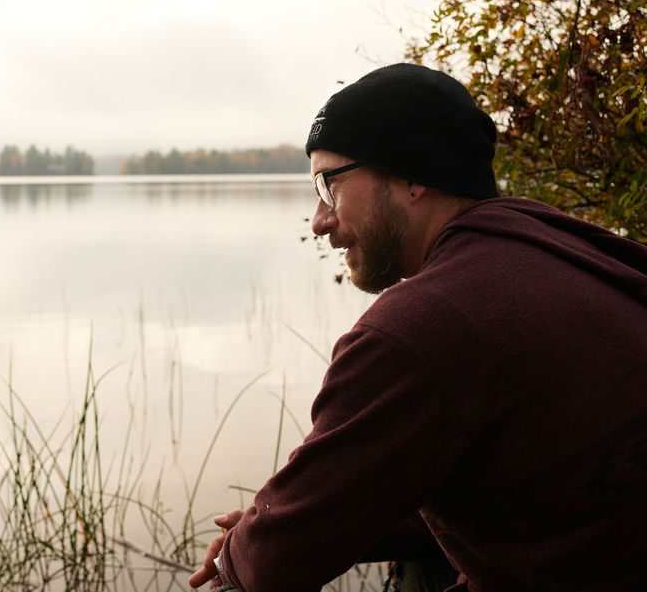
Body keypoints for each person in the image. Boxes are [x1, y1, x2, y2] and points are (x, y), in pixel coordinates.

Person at [188, 63, 647, 592]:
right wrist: (281, 523)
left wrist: (246, 554)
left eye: (329, 184)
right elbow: (531, 494)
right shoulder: (564, 249)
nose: (318, 219)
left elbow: (269, 569)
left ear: (412, 177)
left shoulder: (422, 326)